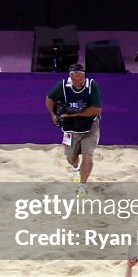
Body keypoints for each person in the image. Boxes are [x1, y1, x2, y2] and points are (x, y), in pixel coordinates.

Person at [45, 62, 102, 193]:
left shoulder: (91, 85)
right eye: (75, 79)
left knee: (88, 154)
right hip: (70, 127)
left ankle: (82, 186)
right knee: (71, 157)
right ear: (70, 77)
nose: (78, 82)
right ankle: (76, 168)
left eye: (80, 79)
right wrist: (53, 115)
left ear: (84, 76)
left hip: (90, 124)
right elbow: (49, 98)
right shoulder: (63, 86)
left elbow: (96, 110)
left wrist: (75, 113)